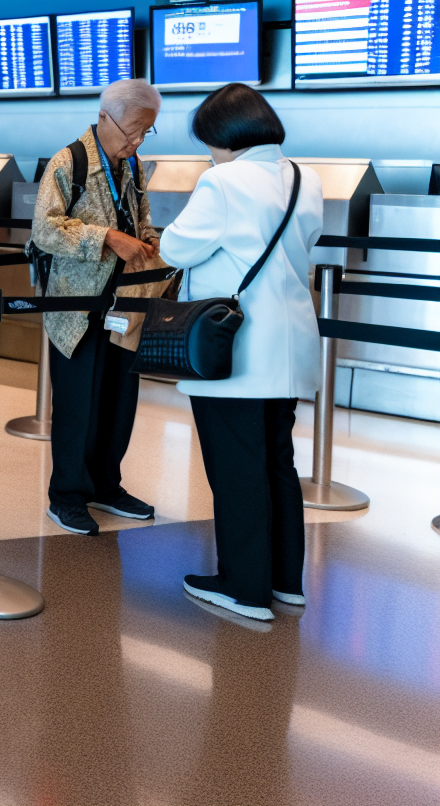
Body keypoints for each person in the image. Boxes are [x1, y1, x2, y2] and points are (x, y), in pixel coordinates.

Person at [161, 84, 324, 622]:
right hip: (291, 345)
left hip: (235, 351)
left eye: (208, 140)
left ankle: (243, 588)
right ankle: (284, 582)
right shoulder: (306, 177)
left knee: (237, 469)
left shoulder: (222, 180)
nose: (209, 151)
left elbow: (175, 246)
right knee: (278, 462)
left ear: (224, 137)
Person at [31, 78, 166, 537]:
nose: (137, 140)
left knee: (118, 401)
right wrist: (105, 238)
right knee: (78, 405)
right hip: (78, 307)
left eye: (147, 132)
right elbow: (44, 232)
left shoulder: (133, 165)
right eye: (132, 130)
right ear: (105, 117)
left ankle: (107, 484)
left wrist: (148, 239)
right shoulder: (69, 161)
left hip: (127, 301)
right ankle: (66, 495)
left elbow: (141, 216)